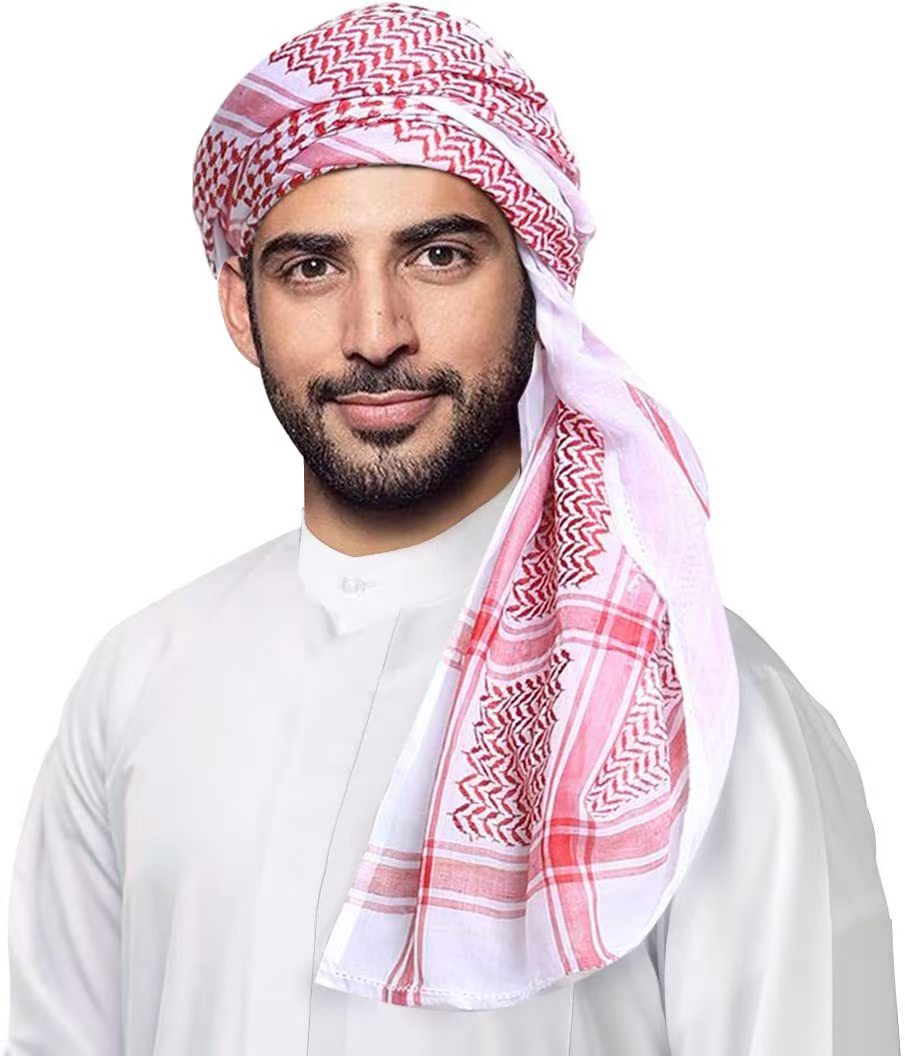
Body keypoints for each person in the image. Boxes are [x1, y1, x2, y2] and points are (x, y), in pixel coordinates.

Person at [4, 3, 900, 1054]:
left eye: (436, 256)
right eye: (311, 267)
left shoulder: (696, 705)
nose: (375, 334)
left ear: (537, 283)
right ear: (241, 308)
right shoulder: (138, 680)